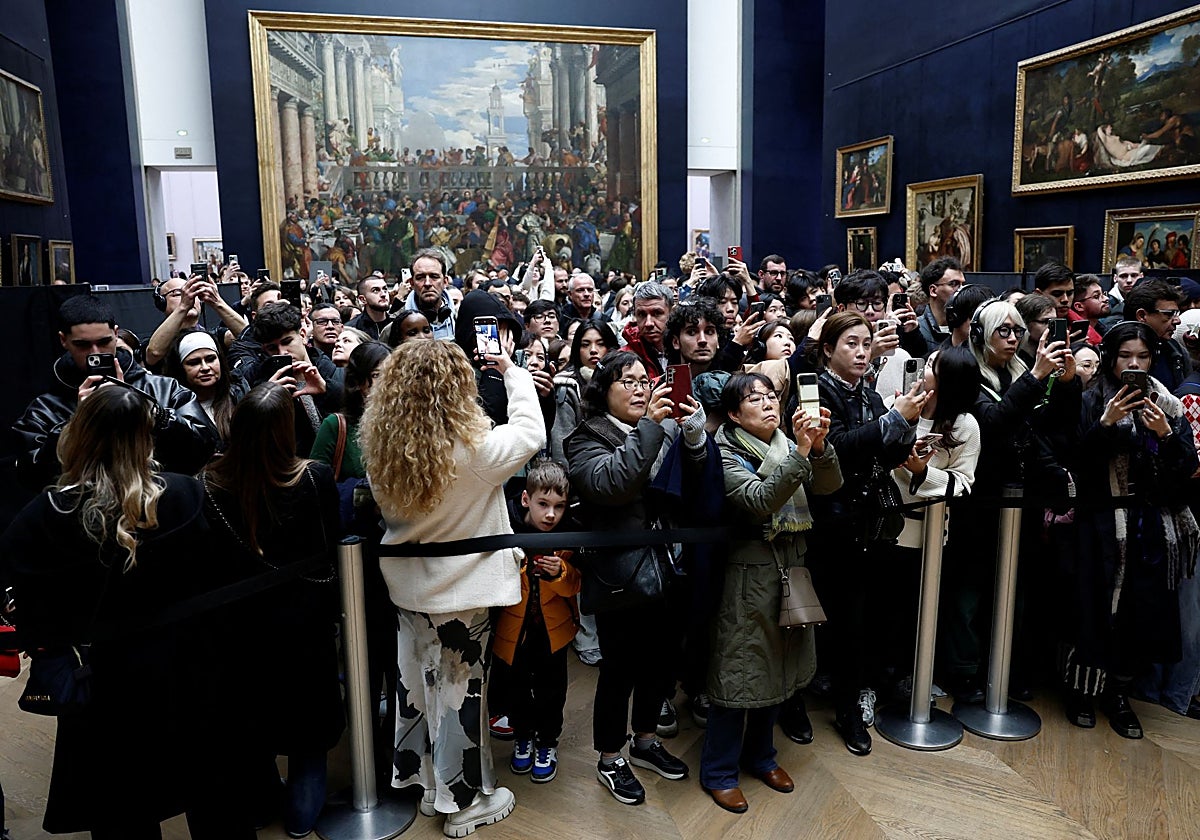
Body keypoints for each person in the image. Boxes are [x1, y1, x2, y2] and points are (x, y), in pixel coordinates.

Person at [0, 385, 238, 838]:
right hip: (188, 669)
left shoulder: (46, 513)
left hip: (103, 682)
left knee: (121, 809)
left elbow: (30, 608)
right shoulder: (186, 495)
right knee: (210, 792)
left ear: (77, 435)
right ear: (147, 437)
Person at [359, 339, 544, 834]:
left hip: (410, 594)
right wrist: (512, 371)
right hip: (462, 597)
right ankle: (460, 806)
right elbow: (531, 431)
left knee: (420, 689)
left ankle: (429, 787)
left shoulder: (381, 450)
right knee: (460, 697)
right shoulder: (475, 451)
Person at [565, 350, 709, 806]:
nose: (639, 389)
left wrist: (693, 437)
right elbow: (612, 485)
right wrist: (650, 426)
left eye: (644, 381)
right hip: (620, 576)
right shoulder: (585, 438)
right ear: (603, 390)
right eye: (626, 381)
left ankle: (645, 741)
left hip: (668, 565)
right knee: (619, 670)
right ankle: (610, 757)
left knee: (660, 663)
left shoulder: (660, 429)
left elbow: (691, 490)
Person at [202, 383, 345, 837]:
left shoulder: (209, 483)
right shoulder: (312, 477)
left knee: (252, 727)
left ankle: (262, 806)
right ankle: (299, 823)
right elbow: (332, 545)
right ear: (286, 430)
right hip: (304, 625)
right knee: (308, 739)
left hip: (237, 627)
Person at [701, 373, 840, 813]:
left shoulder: (786, 443)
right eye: (754, 399)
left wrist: (819, 447)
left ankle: (761, 756)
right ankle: (719, 772)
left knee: (781, 663)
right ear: (733, 413)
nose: (767, 404)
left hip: (791, 566)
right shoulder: (724, 451)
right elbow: (758, 500)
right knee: (740, 667)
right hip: (747, 574)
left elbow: (829, 485)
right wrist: (801, 451)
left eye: (771, 396)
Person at [1068, 322, 1199, 737]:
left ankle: (1119, 694)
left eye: (1142, 356)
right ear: (1110, 358)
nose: (1134, 364)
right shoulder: (1092, 399)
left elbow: (1187, 467)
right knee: (1093, 610)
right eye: (1126, 356)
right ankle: (1082, 691)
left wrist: (1166, 434)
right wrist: (1106, 424)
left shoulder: (1166, 403)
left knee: (1139, 614)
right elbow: (1077, 465)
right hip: (1100, 524)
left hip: (1151, 526)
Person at [807, 312, 927, 755]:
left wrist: (909, 431)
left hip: (866, 522)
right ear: (828, 350)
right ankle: (810, 704)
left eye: (866, 343)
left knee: (858, 620)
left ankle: (848, 705)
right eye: (851, 344)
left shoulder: (870, 395)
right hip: (828, 521)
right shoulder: (816, 390)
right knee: (822, 618)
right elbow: (835, 447)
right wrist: (894, 419)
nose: (862, 352)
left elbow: (883, 452)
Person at [12, 294, 215, 493]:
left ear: (116, 334)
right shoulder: (46, 409)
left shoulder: (163, 389)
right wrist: (78, 423)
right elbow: (30, 475)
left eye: (103, 342)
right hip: (84, 509)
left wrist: (147, 409)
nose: (95, 353)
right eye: (83, 345)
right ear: (64, 340)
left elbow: (206, 446)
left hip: (160, 503)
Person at [493, 460, 582, 784]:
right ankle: (522, 737)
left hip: (553, 631)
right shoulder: (505, 528)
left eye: (559, 506)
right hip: (511, 629)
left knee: (551, 691)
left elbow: (576, 586)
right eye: (543, 504)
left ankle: (547, 743)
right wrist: (516, 566)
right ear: (525, 499)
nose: (551, 515)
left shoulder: (569, 534)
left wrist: (560, 572)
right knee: (516, 688)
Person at [166, 328, 249, 447]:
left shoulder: (239, 394)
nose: (205, 368)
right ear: (180, 368)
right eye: (194, 362)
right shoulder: (172, 411)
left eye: (211, 359)